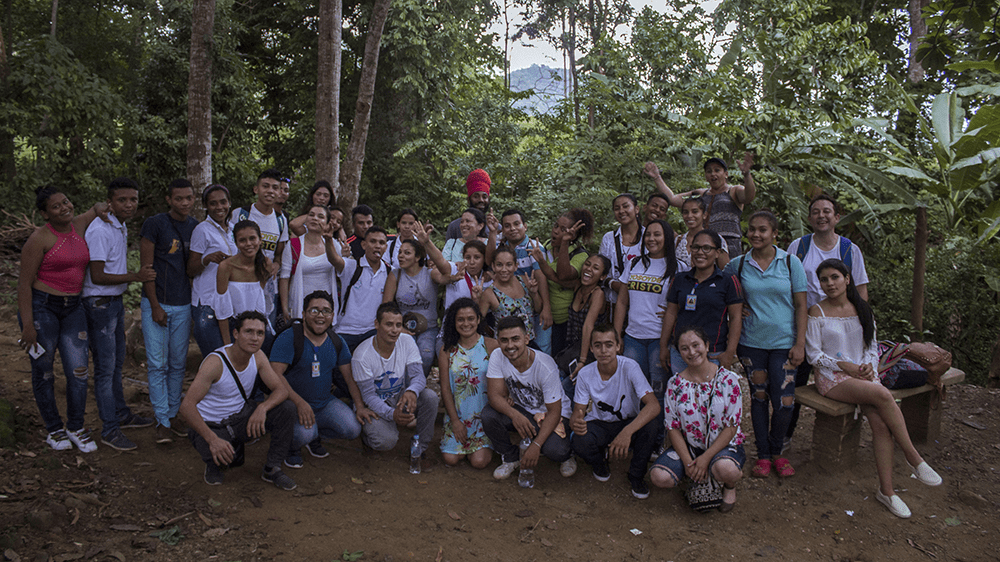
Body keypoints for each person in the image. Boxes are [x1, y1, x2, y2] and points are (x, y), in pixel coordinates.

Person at [806, 259, 941, 518]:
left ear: (847, 279)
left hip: (863, 376)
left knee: (880, 425)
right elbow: (814, 355)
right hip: (832, 379)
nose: (829, 284)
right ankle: (914, 459)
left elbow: (871, 347)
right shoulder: (817, 312)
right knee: (882, 394)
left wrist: (868, 366)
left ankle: (887, 492)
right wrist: (844, 365)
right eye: (824, 279)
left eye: (834, 277)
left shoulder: (863, 309)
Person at [18, 186, 107, 453]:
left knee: (79, 371)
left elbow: (96, 207)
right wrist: (28, 325)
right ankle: (54, 429)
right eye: (56, 206)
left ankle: (76, 426)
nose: (64, 208)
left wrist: (101, 208)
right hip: (43, 307)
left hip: (73, 308)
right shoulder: (39, 239)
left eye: (66, 201)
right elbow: (23, 285)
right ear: (45, 214)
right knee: (44, 371)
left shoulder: (77, 225)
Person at [723, 210, 806, 478]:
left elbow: (802, 305)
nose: (756, 234)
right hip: (751, 343)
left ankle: (778, 450)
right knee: (759, 398)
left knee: (784, 401)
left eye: (763, 230)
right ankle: (764, 455)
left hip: (784, 343)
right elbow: (718, 287)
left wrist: (800, 343)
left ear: (775, 234)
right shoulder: (738, 264)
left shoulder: (791, 263)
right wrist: (736, 305)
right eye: (752, 230)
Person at [785, 194, 871, 449]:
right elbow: (785, 284)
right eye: (815, 212)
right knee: (793, 383)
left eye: (826, 211)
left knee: (848, 375)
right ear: (809, 217)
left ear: (837, 217)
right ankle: (785, 437)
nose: (821, 216)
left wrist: (862, 328)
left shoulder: (849, 250)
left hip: (839, 329)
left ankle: (843, 441)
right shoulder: (798, 247)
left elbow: (861, 291)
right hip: (803, 327)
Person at [178, 311, 298, 490]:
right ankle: (213, 463)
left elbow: (280, 390)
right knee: (217, 453)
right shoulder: (215, 363)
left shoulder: (258, 356)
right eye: (248, 332)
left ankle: (272, 468)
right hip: (212, 424)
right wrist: (212, 439)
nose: (255, 338)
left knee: (286, 408)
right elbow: (187, 407)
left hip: (240, 418)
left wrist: (263, 408)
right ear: (236, 333)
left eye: (260, 333)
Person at [82, 177, 157, 451]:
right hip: (98, 304)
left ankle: (121, 414)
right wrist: (136, 276)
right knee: (104, 369)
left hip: (113, 302)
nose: (129, 205)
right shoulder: (100, 229)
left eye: (133, 200)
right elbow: (97, 275)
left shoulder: (119, 226)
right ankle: (109, 429)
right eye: (122, 200)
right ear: (110, 202)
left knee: (115, 365)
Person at [270, 291, 372, 468]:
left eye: (326, 311)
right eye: (314, 310)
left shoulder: (336, 341)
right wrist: (299, 402)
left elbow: (349, 378)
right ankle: (293, 446)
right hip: (293, 405)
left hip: (324, 403)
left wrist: (360, 406)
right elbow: (274, 375)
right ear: (303, 314)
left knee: (352, 428)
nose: (320, 315)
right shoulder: (289, 338)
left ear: (332, 316)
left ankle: (314, 434)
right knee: (303, 435)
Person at [650, 326, 745, 513]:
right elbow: (673, 427)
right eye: (685, 348)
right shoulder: (675, 384)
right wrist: (688, 462)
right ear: (679, 352)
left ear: (707, 346)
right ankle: (693, 474)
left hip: (722, 445)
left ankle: (728, 484)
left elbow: (732, 426)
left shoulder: (728, 380)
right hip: (691, 446)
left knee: (727, 469)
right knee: (659, 476)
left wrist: (706, 458)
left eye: (696, 345)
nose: (692, 352)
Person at [569, 325, 659, 499]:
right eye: (598, 345)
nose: (604, 351)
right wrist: (576, 421)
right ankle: (599, 462)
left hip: (627, 422)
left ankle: (636, 475)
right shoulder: (586, 373)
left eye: (609, 345)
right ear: (591, 348)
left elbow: (654, 405)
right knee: (579, 438)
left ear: (618, 346)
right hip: (600, 423)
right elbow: (578, 411)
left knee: (651, 425)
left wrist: (627, 432)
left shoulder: (630, 367)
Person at [140, 179, 199, 444]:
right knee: (156, 363)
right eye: (179, 199)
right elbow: (147, 268)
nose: (184, 203)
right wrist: (154, 305)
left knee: (177, 364)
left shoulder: (196, 226)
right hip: (158, 302)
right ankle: (161, 419)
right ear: (169, 199)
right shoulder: (155, 224)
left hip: (184, 302)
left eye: (188, 198)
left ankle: (174, 414)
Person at [482, 316, 576, 481]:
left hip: (554, 415)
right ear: (498, 341)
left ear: (527, 338)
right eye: (504, 340)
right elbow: (494, 396)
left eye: (515, 339)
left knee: (556, 451)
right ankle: (511, 457)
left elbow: (555, 411)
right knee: (489, 415)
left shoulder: (545, 366)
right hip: (523, 410)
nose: (510, 346)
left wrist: (536, 446)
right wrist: (515, 415)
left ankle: (568, 454)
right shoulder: (498, 355)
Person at [350, 302, 439, 464]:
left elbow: (418, 376)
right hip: (372, 405)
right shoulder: (362, 355)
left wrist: (411, 391)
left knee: (430, 397)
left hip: (398, 396)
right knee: (385, 442)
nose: (394, 330)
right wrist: (392, 415)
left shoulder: (406, 341)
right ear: (377, 324)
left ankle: (420, 448)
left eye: (398, 325)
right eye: (389, 324)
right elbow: (369, 396)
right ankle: (368, 437)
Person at [613, 219, 680, 418]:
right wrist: (617, 335)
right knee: (633, 390)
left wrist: (674, 314)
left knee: (658, 392)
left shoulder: (678, 267)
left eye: (657, 234)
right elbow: (622, 302)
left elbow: (685, 300)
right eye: (648, 234)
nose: (651, 239)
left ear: (666, 237)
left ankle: (656, 441)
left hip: (660, 339)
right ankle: (633, 436)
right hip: (633, 336)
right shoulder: (634, 263)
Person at [659, 229, 742, 376]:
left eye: (707, 248)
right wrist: (663, 346)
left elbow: (735, 318)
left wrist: (729, 352)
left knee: (710, 398)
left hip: (713, 354)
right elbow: (671, 313)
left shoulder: (728, 281)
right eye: (696, 247)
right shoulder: (679, 279)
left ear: (717, 252)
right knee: (682, 397)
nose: (700, 252)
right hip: (681, 352)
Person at [643, 154, 757, 257]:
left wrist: (746, 174)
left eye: (717, 170)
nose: (713, 174)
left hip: (730, 247)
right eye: (709, 171)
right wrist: (657, 177)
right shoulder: (701, 194)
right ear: (706, 176)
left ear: (726, 174)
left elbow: (749, 196)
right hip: (705, 248)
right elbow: (673, 199)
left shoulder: (734, 191)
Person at [383, 220, 452, 373]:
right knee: (404, 357)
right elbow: (386, 305)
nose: (401, 256)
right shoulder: (395, 275)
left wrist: (427, 242)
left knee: (425, 356)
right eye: (400, 252)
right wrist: (398, 327)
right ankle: (406, 390)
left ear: (417, 257)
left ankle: (416, 388)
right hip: (403, 326)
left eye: (407, 253)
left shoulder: (429, 273)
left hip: (429, 327)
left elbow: (444, 276)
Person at [438, 298, 497, 468]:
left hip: (482, 417)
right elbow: (445, 388)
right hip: (457, 415)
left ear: (478, 320)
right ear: (454, 322)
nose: (466, 324)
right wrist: (455, 422)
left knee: (479, 462)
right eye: (460, 319)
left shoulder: (491, 346)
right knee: (451, 459)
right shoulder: (447, 350)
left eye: (470, 318)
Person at [529, 208, 594, 358]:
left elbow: (564, 275)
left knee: (561, 359)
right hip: (544, 316)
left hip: (566, 321)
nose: (556, 231)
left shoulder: (580, 255)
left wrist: (564, 244)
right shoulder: (546, 246)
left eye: (563, 229)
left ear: (573, 235)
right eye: (556, 226)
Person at [486, 209, 553, 352]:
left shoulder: (533, 248)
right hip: (510, 309)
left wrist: (546, 308)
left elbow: (541, 277)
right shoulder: (501, 246)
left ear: (525, 226)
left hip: (535, 306)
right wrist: (492, 232)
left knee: (540, 348)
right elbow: (489, 260)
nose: (513, 229)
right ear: (503, 229)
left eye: (517, 224)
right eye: (507, 226)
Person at [230, 169, 288, 326]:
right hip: (242, 285)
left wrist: (276, 264)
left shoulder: (281, 220)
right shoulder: (241, 214)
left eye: (275, 187)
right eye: (265, 186)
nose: (270, 191)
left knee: (265, 332)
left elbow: (279, 253)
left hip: (268, 288)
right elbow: (230, 249)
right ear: (256, 189)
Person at [188, 184, 236, 357]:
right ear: (206, 206)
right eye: (213, 203)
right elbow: (191, 269)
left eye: (223, 202)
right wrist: (207, 259)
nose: (219, 207)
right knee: (216, 357)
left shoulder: (233, 230)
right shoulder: (202, 230)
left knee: (230, 356)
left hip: (229, 303)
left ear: (229, 203)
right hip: (207, 303)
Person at [279, 204, 344, 325]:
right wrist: (284, 307)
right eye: (311, 215)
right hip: (300, 304)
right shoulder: (294, 245)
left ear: (327, 223)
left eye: (320, 216)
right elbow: (284, 277)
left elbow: (343, 270)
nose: (315, 219)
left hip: (326, 306)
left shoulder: (334, 245)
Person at [216, 220, 271, 350]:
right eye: (242, 240)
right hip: (233, 326)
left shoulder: (265, 264)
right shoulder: (226, 267)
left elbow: (259, 296)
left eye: (252, 238)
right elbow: (222, 309)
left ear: (260, 240)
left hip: (257, 327)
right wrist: (227, 345)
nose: (248, 244)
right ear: (236, 243)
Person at [335, 226, 390, 352]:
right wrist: (328, 240)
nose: (377, 246)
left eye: (381, 243)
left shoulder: (389, 272)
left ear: (386, 247)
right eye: (373, 241)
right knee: (341, 370)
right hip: (346, 330)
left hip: (372, 332)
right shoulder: (351, 266)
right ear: (364, 245)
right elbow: (335, 259)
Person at [565, 254, 611, 383]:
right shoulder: (577, 285)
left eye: (595, 268)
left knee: (569, 386)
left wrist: (582, 360)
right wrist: (540, 260)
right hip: (573, 347)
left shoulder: (598, 294)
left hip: (590, 352)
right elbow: (554, 278)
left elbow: (588, 326)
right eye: (587, 264)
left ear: (602, 276)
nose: (589, 269)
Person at [480, 246, 541, 344]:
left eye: (509, 265)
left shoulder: (523, 281)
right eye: (499, 265)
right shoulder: (490, 293)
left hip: (529, 342)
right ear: (493, 266)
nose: (504, 270)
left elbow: (538, 309)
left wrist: (534, 293)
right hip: (506, 347)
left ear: (516, 266)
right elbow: (479, 322)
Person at [599, 194, 643, 305]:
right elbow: (601, 271)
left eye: (625, 206)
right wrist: (613, 284)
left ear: (636, 209)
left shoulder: (649, 237)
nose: (621, 211)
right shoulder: (609, 238)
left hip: (642, 303)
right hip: (613, 302)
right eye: (617, 208)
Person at [675, 197, 729, 269]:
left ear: (704, 215)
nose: (689, 216)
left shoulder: (716, 239)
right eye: (685, 212)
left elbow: (726, 270)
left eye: (695, 211)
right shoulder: (678, 241)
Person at [442, 240, 491, 311]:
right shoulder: (455, 270)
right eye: (467, 257)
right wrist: (427, 242)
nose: (472, 262)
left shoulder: (489, 279)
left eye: (477, 257)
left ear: (484, 259)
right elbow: (440, 261)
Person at [445, 169, 491, 240]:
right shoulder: (455, 227)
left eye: (484, 197)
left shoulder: (495, 227)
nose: (481, 200)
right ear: (468, 200)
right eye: (476, 196)